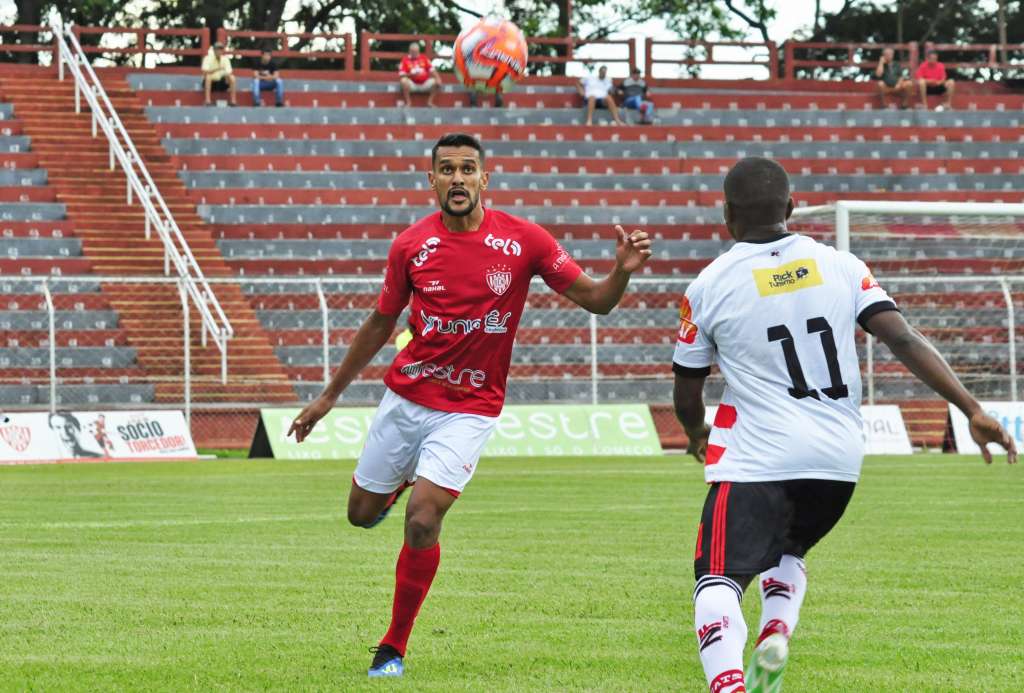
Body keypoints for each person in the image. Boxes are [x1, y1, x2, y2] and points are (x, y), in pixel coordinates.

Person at [287, 132, 652, 678]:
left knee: (422, 520)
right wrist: (328, 396)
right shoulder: (411, 245)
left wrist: (620, 269)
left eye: (467, 169)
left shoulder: (525, 241)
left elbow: (597, 300)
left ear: (485, 179)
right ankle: (403, 481)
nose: (457, 178)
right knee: (360, 517)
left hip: (470, 407)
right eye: (446, 170)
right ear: (431, 180)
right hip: (406, 398)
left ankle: (393, 648)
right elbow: (380, 323)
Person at [672, 157, 1015, 693]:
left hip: (758, 457)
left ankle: (730, 686)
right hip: (837, 462)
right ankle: (777, 629)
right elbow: (903, 338)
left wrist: (695, 433)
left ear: (726, 215)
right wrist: (972, 408)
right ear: (790, 208)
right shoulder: (841, 264)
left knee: (717, 576)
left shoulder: (709, 286)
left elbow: (687, 388)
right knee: (788, 551)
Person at [398, 42, 441, 108]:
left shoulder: (424, 58)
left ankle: (430, 102)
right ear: (410, 51)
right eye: (413, 51)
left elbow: (432, 70)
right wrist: (411, 75)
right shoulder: (405, 60)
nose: (415, 53)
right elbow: (401, 75)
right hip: (412, 84)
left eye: (416, 51)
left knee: (437, 81)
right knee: (403, 81)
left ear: (418, 51)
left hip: (425, 83)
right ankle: (408, 103)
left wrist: (438, 78)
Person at [202, 42, 237, 107]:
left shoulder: (226, 59)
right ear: (214, 50)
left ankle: (233, 101)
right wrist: (217, 69)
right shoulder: (207, 58)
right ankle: (207, 100)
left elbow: (229, 71)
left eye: (220, 49)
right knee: (208, 77)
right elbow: (204, 72)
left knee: (232, 77)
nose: (219, 51)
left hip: (221, 82)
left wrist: (227, 76)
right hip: (211, 82)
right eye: (217, 49)